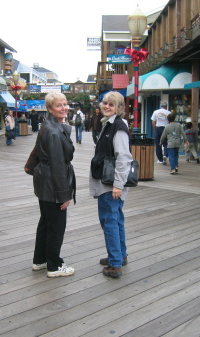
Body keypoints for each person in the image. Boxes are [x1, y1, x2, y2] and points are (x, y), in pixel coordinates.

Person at [31, 92, 76, 278]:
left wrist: (30, 167)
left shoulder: (48, 126)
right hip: (53, 183)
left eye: (65, 104)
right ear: (50, 109)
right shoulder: (54, 131)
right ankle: (54, 266)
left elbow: (36, 150)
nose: (64, 108)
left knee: (46, 223)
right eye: (59, 105)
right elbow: (58, 164)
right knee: (56, 226)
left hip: (44, 181)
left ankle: (40, 260)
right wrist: (64, 194)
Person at [89, 91, 133, 279]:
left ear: (119, 108)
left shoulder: (118, 126)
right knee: (116, 220)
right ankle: (119, 255)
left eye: (111, 104)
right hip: (110, 182)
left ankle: (115, 263)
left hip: (111, 184)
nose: (106, 106)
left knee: (109, 221)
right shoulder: (109, 124)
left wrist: (118, 185)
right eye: (105, 103)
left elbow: (123, 157)